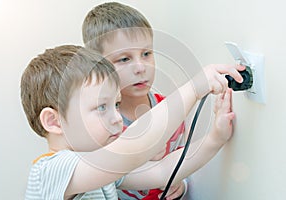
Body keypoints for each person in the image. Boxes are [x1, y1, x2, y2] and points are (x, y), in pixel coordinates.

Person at [22, 44, 244, 200]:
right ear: (54, 121)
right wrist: (194, 88)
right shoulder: (49, 171)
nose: (117, 118)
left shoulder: (102, 170)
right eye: (101, 107)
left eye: (116, 105)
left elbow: (163, 171)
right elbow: (133, 148)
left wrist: (216, 137)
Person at [81, 2, 238, 199]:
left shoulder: (170, 110)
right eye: (124, 59)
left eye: (146, 54)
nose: (140, 67)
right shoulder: (101, 127)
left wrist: (182, 184)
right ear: (99, 66)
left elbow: (179, 162)